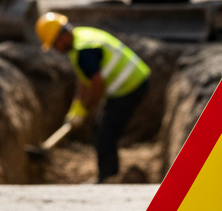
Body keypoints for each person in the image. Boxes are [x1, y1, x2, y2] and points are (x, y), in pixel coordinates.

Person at [35, 13, 151, 183]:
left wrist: (86, 109)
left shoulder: (85, 51)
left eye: (54, 44)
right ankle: (109, 173)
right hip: (127, 84)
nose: (55, 50)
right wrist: (76, 108)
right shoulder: (79, 39)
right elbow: (83, 79)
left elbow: (97, 86)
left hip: (131, 86)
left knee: (105, 134)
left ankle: (108, 178)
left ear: (63, 36)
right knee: (99, 129)